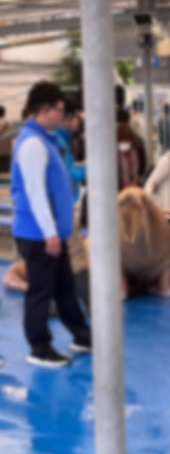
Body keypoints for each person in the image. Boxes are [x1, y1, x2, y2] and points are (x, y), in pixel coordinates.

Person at [11, 81, 91, 368]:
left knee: (64, 287)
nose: (62, 114)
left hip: (51, 233)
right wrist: (49, 234)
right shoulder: (32, 144)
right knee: (41, 292)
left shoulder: (45, 139)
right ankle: (39, 348)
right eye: (58, 109)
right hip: (39, 235)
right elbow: (35, 193)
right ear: (44, 109)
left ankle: (82, 335)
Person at [119, 187, 170, 298]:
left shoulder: (161, 226)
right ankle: (123, 287)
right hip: (129, 268)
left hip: (152, 271)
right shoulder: (118, 224)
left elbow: (167, 257)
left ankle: (163, 285)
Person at [56, 98, 86, 202]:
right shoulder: (59, 142)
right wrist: (89, 168)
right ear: (67, 118)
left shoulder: (63, 139)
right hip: (66, 201)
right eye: (77, 117)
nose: (79, 121)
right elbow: (67, 172)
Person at [116, 108, 148, 188]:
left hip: (117, 186)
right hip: (135, 185)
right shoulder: (138, 140)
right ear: (128, 120)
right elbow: (143, 164)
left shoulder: (111, 141)